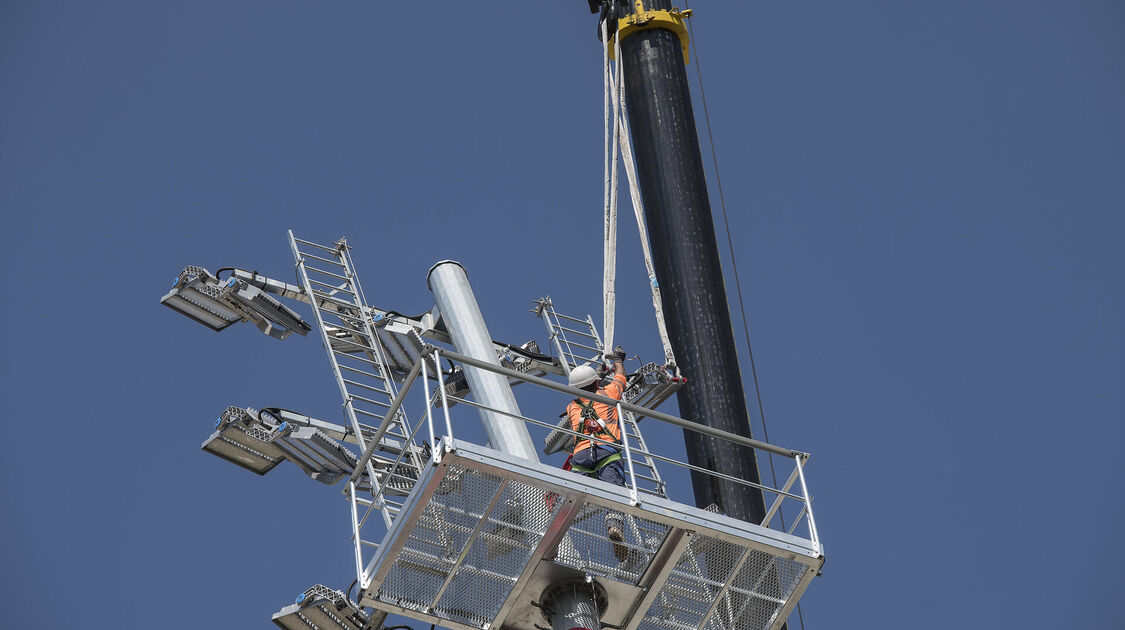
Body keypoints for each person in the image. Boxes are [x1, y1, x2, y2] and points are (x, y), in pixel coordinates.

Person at [566, 344, 630, 561]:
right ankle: (614, 526)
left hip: (581, 455)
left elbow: (589, 389)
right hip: (606, 451)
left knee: (571, 497)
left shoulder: (572, 407)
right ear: (596, 383)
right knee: (613, 490)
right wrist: (618, 360)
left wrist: (598, 376)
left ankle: (557, 534)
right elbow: (621, 377)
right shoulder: (610, 393)